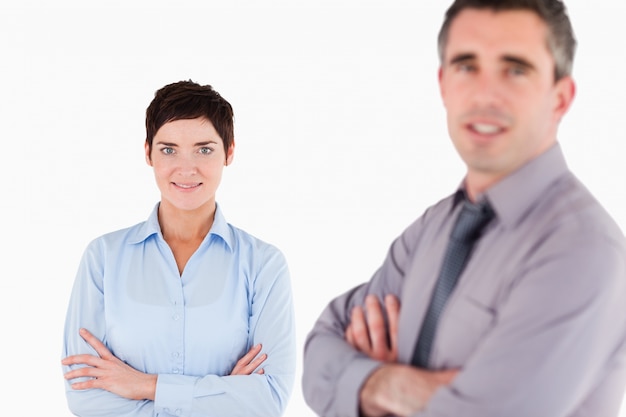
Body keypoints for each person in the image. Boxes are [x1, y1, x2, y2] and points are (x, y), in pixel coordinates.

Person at [301, 1, 626, 416]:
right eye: (466, 65)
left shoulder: (583, 251)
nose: (484, 94)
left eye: (515, 69)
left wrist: (360, 382)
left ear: (560, 98)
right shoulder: (433, 229)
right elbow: (320, 350)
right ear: (442, 85)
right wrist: (392, 383)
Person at [61, 80, 296, 416]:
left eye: (204, 149)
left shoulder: (263, 265)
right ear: (148, 153)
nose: (186, 168)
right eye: (169, 149)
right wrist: (222, 395)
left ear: (229, 152)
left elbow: (268, 398)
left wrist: (145, 385)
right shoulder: (103, 258)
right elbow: (86, 395)